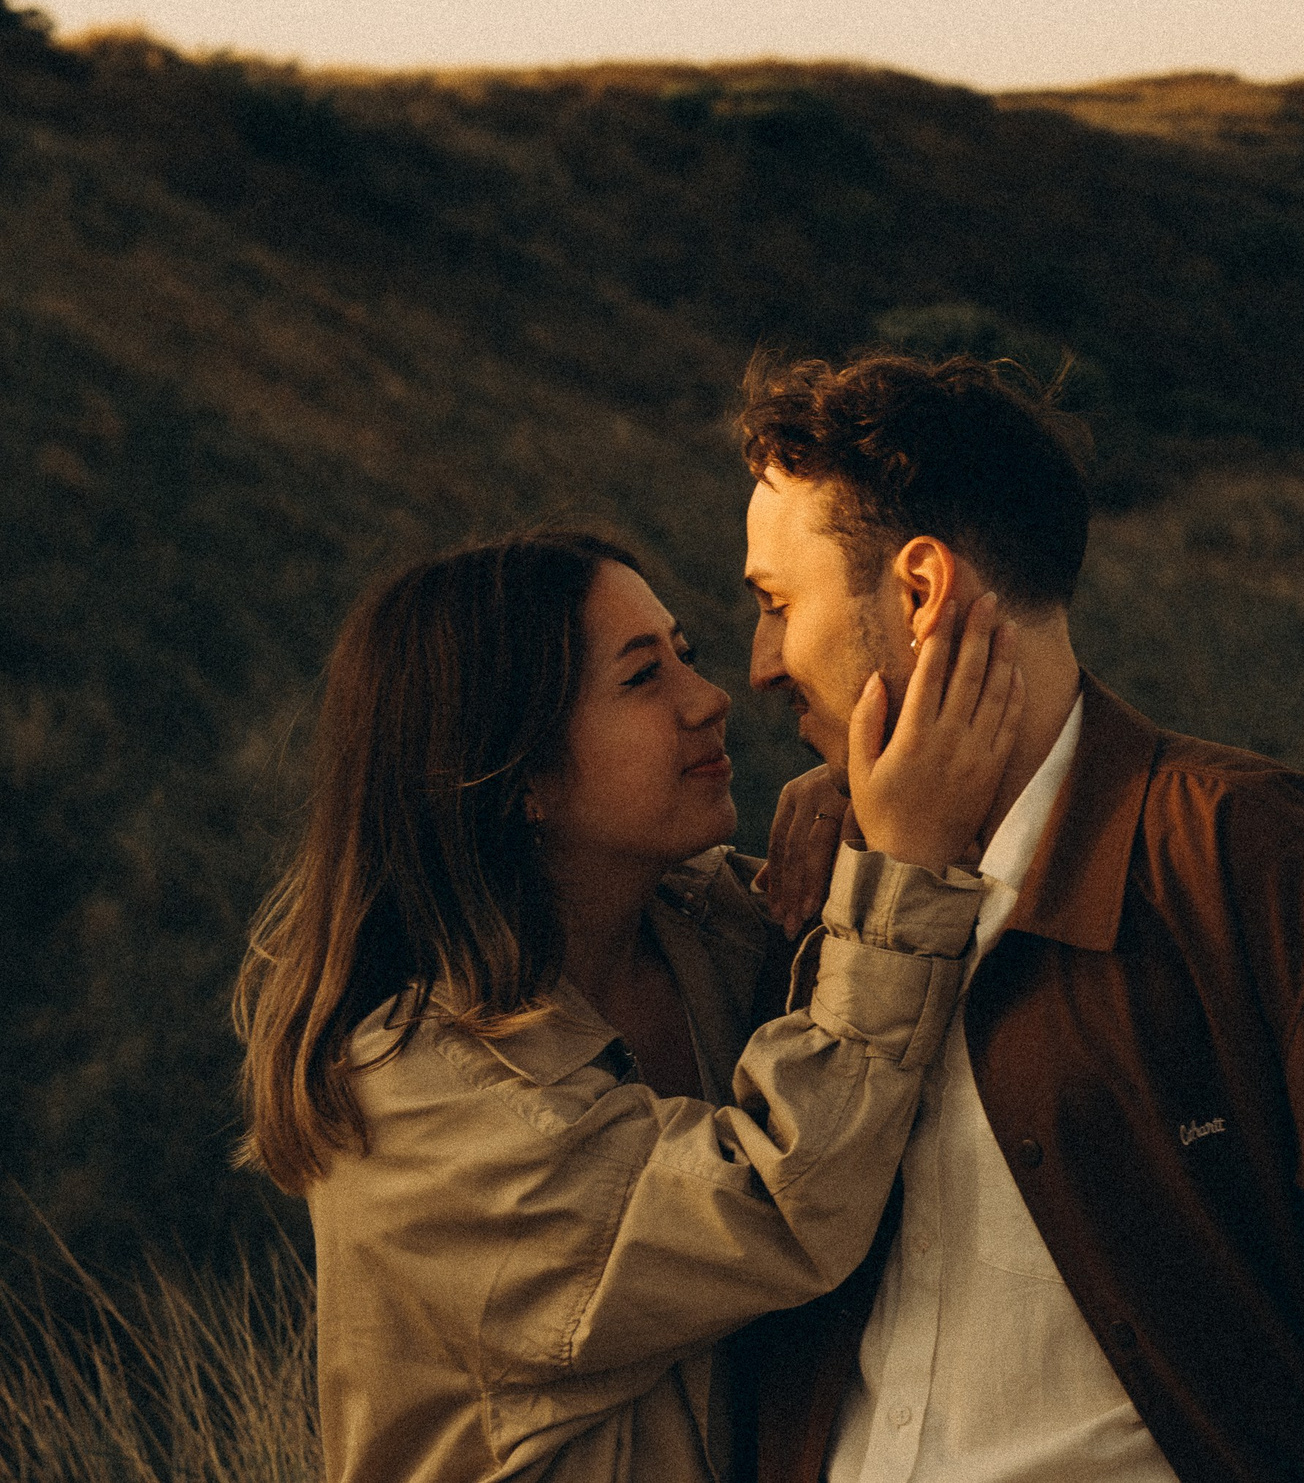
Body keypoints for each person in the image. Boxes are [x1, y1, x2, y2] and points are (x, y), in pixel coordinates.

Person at [736, 355, 1304, 1483]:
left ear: (919, 592)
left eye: (777, 603)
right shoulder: (811, 881)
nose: (759, 665)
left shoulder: (1248, 860)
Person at [234, 531, 1024, 1483]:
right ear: (520, 774)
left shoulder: (708, 928)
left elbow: (866, 1035)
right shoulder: (412, 1096)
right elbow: (780, 1202)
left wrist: (868, 809)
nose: (711, 697)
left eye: (685, 654)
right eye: (644, 678)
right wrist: (899, 868)